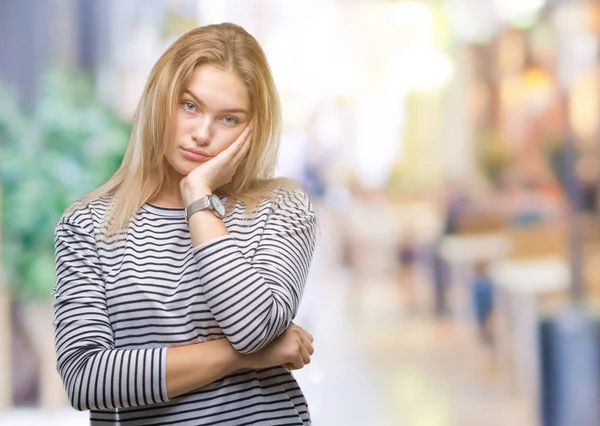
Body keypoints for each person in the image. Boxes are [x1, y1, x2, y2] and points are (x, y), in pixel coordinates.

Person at [52, 23, 317, 425]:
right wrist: (245, 357)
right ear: (162, 101)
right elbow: (85, 379)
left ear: (252, 129)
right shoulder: (87, 224)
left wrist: (198, 198)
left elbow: (254, 328)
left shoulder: (281, 208)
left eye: (228, 119)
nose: (202, 134)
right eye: (189, 106)